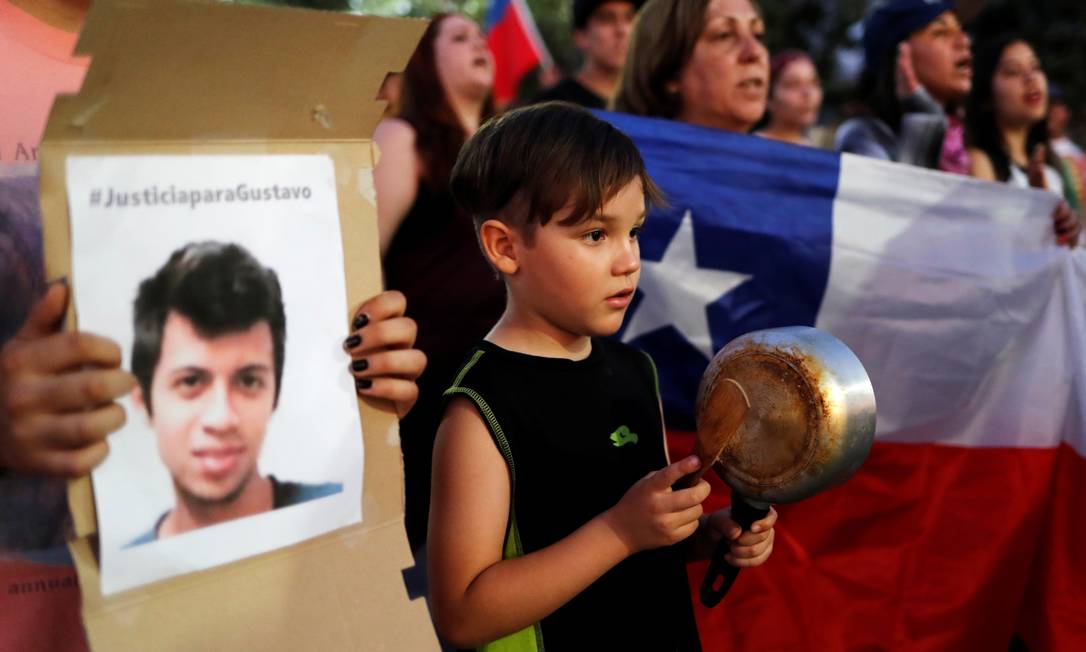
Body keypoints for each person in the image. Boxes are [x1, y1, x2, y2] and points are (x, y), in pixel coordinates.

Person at [428, 103, 777, 650]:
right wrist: (620, 531)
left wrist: (701, 535)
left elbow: (635, 547)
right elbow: (463, 614)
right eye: (595, 234)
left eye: (633, 231)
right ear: (505, 247)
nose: (629, 260)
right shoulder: (479, 405)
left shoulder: (636, 370)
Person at [373, 13, 506, 553]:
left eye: (480, 35)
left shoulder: (511, 154)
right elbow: (357, 259)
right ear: (425, 62)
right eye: (458, 37)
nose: (479, 42)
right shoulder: (401, 137)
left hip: (496, 385)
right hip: (424, 392)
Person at [123, 242, 343, 545]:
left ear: (275, 394)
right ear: (143, 401)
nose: (222, 418)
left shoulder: (341, 513)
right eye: (190, 382)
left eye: (249, 381)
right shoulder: (123, 576)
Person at [964, 36, 1083, 240]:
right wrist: (1038, 206)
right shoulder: (979, 162)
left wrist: (1071, 232)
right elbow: (989, 245)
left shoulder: (1054, 165)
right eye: (1012, 72)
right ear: (986, 98)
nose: (1030, 78)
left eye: (1035, 67)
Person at [614, 0, 769, 134]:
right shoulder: (614, 166)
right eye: (724, 34)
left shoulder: (783, 164)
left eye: (757, 34)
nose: (755, 52)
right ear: (670, 74)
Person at [530, 0, 639, 109]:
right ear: (581, 36)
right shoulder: (552, 106)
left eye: (629, 18)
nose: (622, 30)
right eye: (607, 19)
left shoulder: (648, 103)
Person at [755, 49, 823, 146]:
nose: (808, 93)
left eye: (814, 83)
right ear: (768, 98)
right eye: (793, 84)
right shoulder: (748, 151)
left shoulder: (816, 154)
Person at [1048, 85, 1086, 204]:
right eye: (1047, 107)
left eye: (1055, 106)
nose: (1050, 112)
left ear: (1066, 112)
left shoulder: (1079, 155)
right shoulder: (1033, 150)